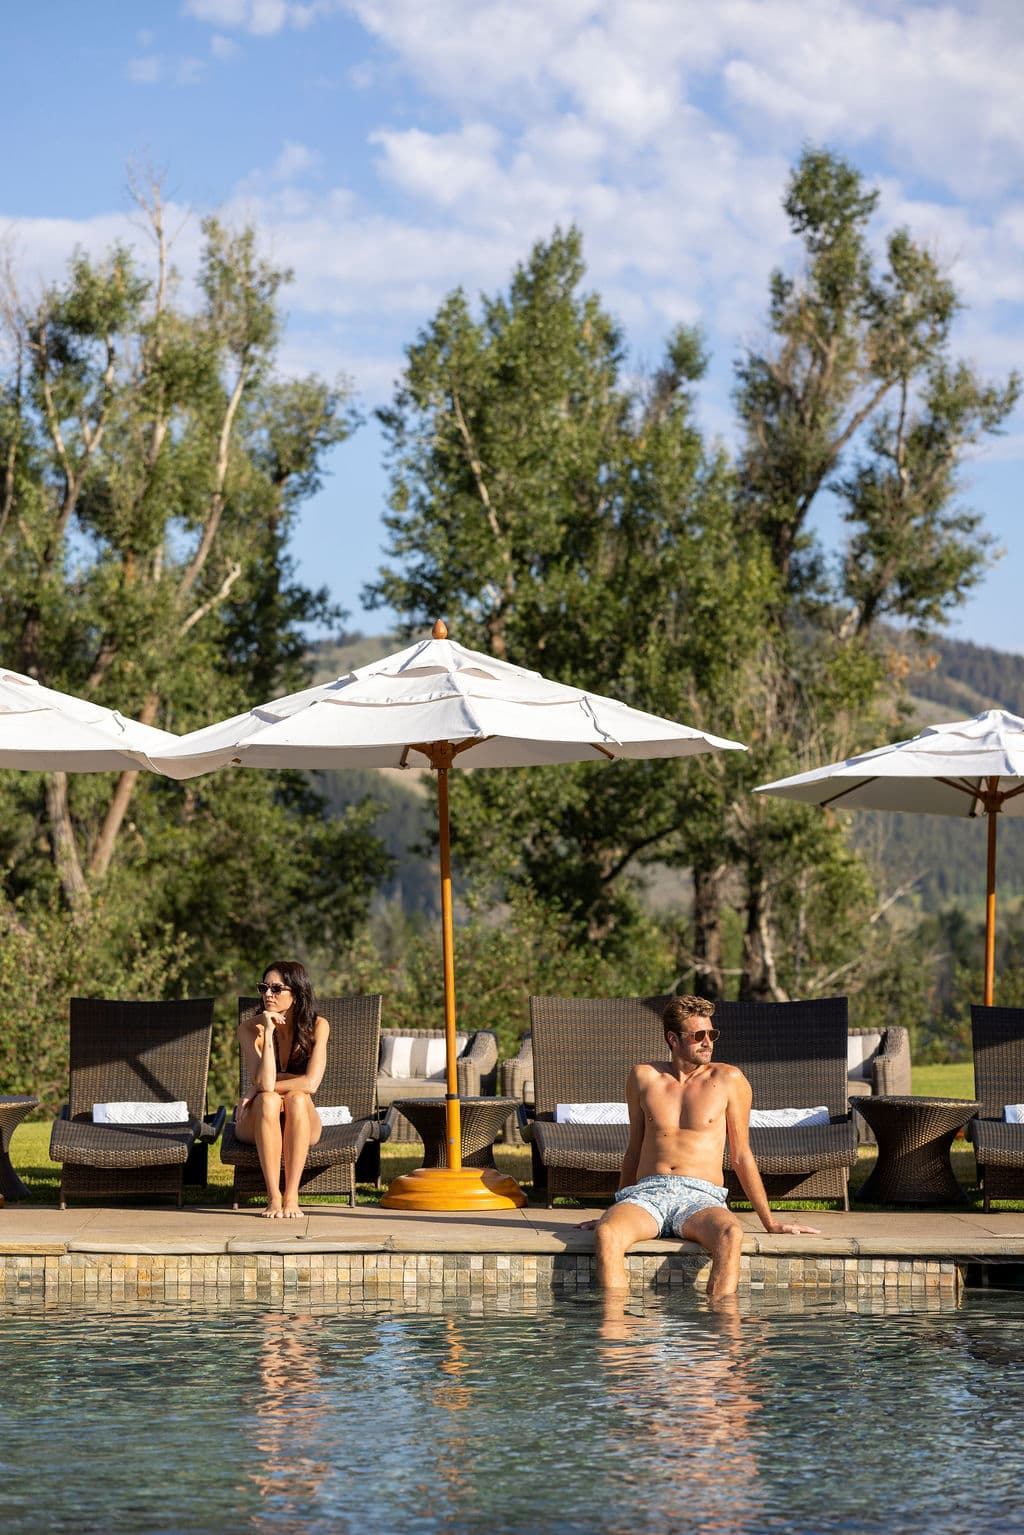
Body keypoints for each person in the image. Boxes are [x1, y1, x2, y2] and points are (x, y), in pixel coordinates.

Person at [590, 995, 819, 1298]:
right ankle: (617, 1332)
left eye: (712, 1034)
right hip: (648, 1194)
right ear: (673, 1039)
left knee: (731, 1233)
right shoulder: (643, 1077)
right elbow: (634, 1148)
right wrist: (617, 1206)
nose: (707, 1042)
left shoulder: (729, 1079)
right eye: (698, 1035)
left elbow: (740, 1155)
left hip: (701, 1197)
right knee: (607, 1232)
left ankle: (721, 1333)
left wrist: (770, 1222)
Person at [235, 960, 330, 1218]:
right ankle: (274, 1197)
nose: (268, 994)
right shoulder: (248, 1029)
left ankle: (291, 1196)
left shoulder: (318, 1026)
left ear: (297, 993)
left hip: (300, 1119)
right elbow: (264, 1083)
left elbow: (311, 1083)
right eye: (263, 987)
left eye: (276, 989)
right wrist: (267, 1031)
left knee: (298, 1098)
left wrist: (253, 1090)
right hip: (259, 1119)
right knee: (268, 1100)